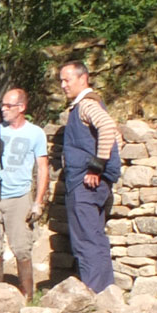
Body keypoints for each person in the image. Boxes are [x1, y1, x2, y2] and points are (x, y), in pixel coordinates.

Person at [57, 61, 123, 293]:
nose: (63, 85)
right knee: (95, 238)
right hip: (94, 185)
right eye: (61, 81)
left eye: (67, 80)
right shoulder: (90, 104)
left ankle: (96, 296)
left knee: (86, 242)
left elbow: (107, 126)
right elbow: (116, 136)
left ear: (83, 78)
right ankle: (106, 294)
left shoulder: (86, 104)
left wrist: (96, 166)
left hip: (86, 184)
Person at [0, 88, 50, 296]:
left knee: (20, 246)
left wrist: (38, 201)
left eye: (9, 106)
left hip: (19, 196)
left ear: (22, 108)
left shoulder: (35, 133)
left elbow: (42, 167)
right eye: (3, 105)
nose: (4, 109)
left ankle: (27, 295)